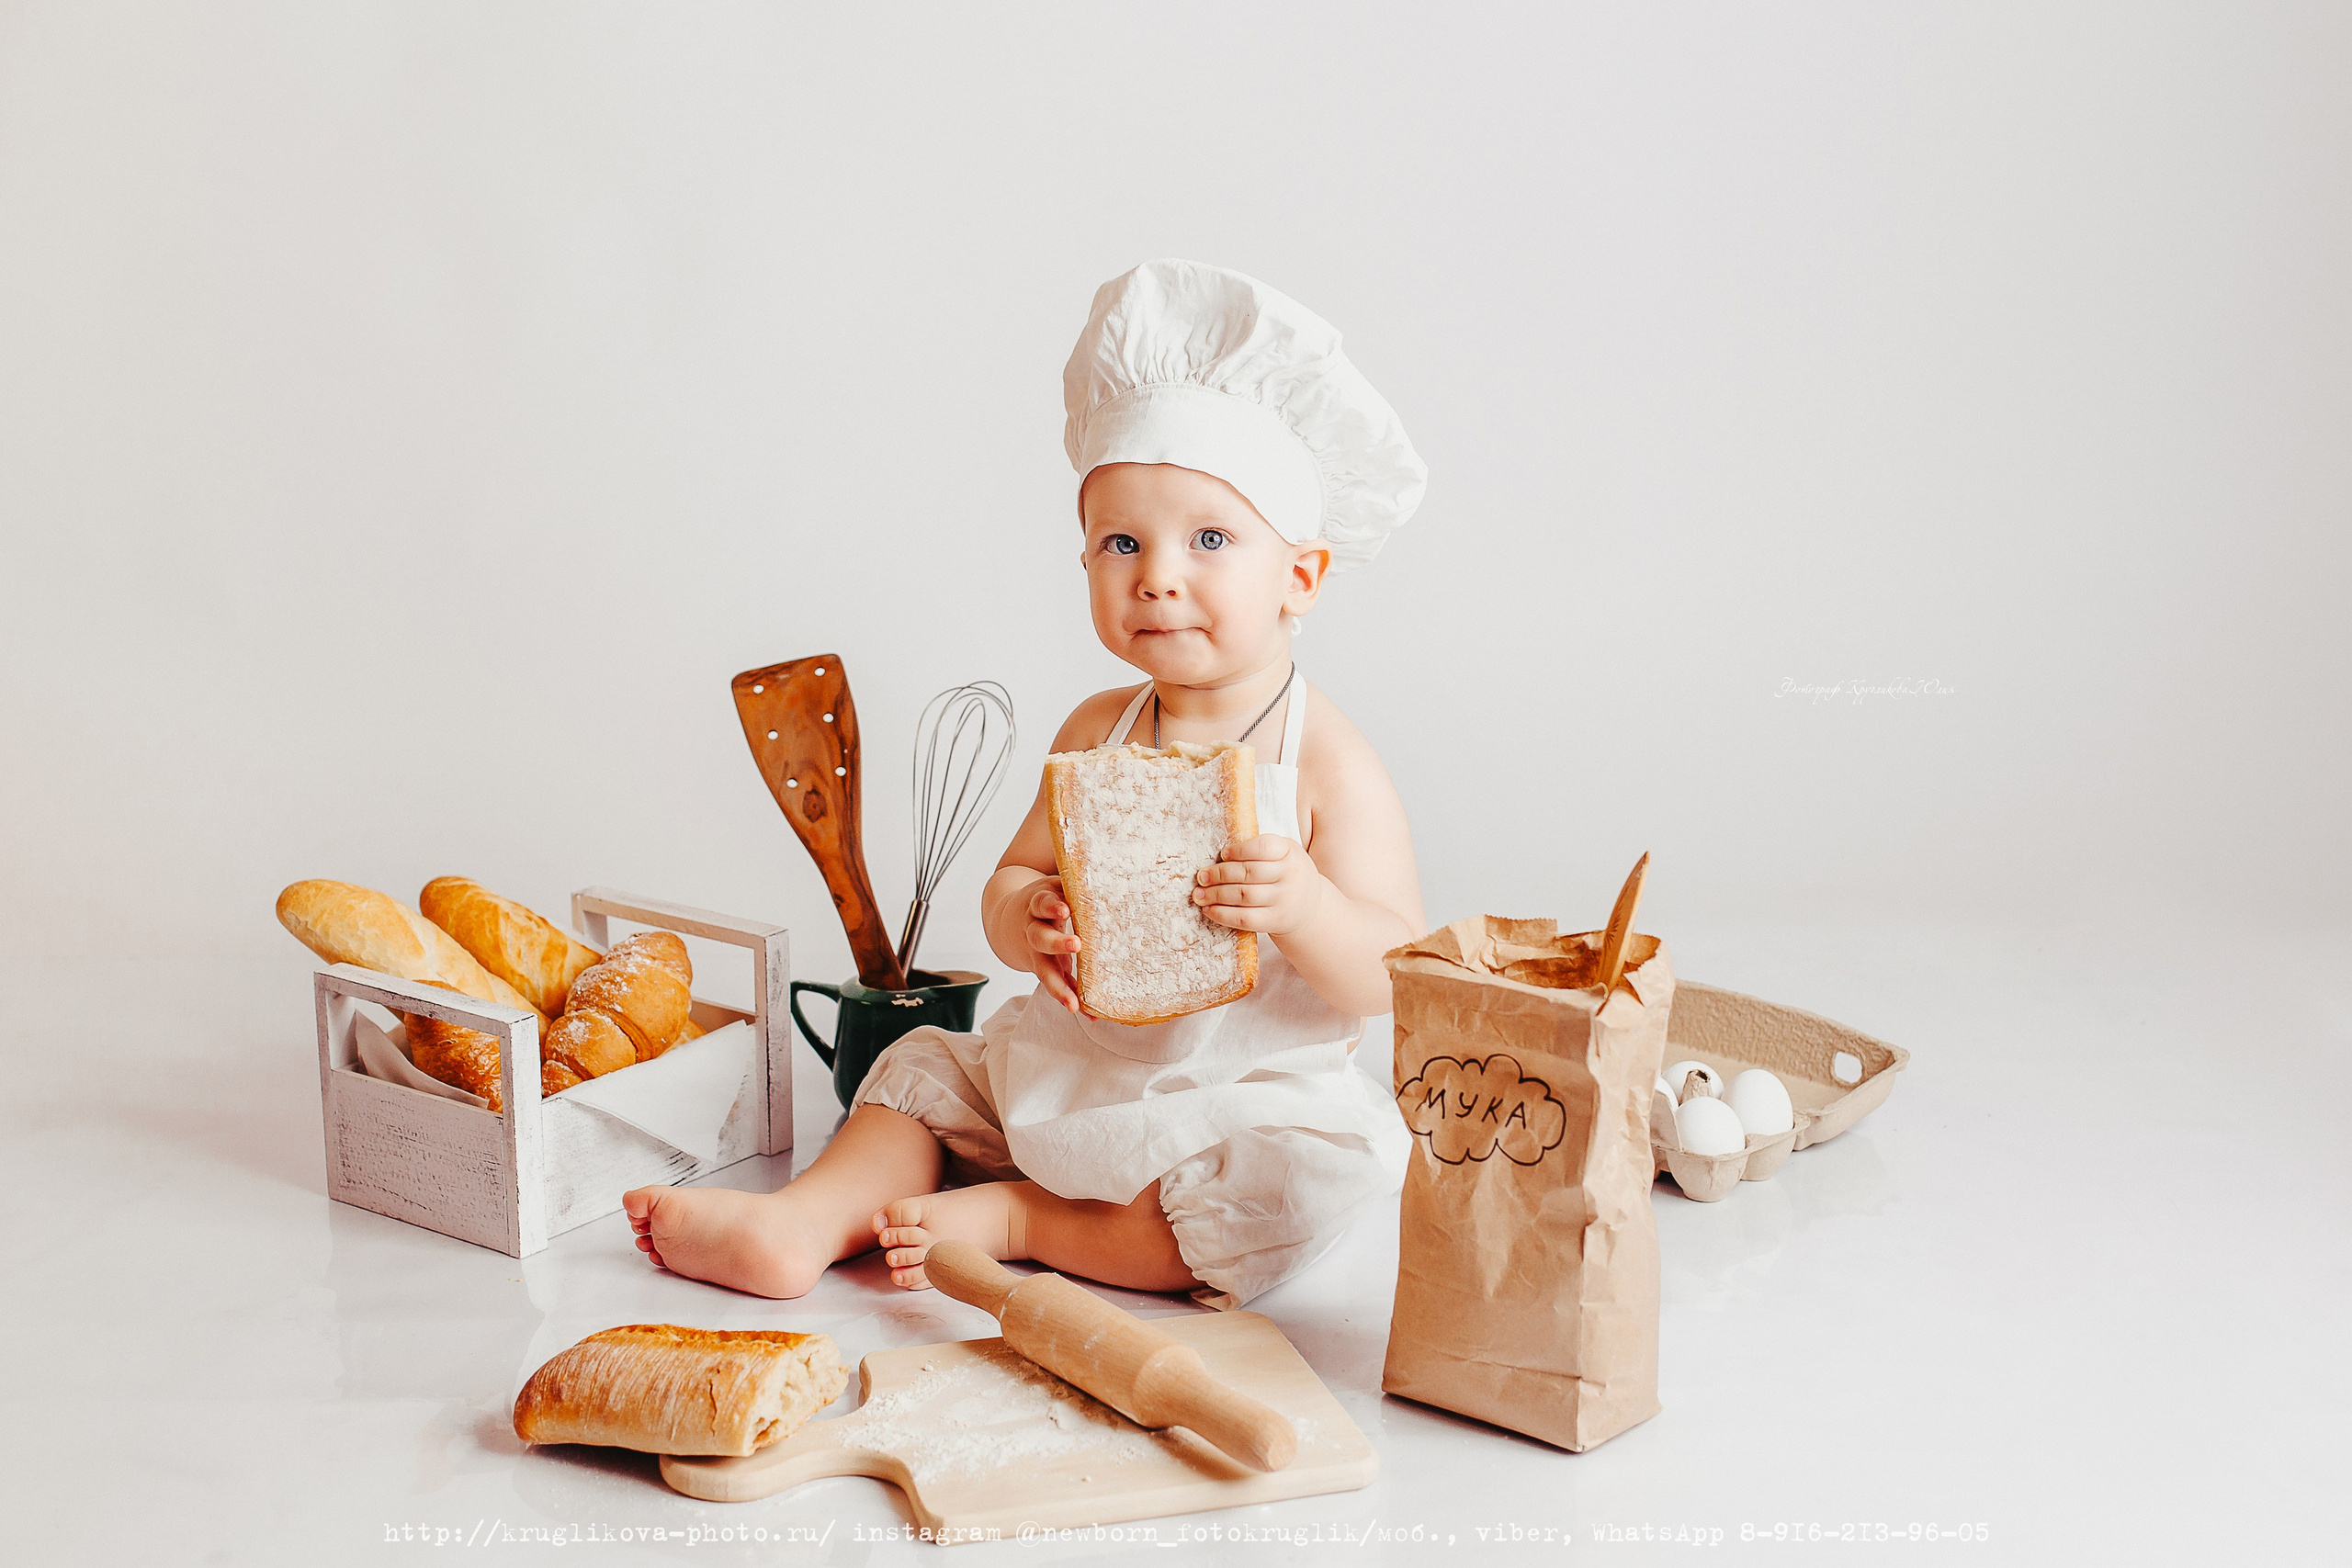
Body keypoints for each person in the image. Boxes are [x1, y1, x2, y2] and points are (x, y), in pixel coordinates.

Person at [623, 258, 1429, 1309]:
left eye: (1211, 539)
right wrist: (1027, 916)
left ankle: (1024, 1221)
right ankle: (802, 1224)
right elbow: (1009, 876)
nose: (1157, 574)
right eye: (1121, 542)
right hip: (1073, 1057)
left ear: (1301, 576)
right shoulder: (1098, 730)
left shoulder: (1324, 757)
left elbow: (1395, 973)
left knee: (1289, 1193)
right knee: (921, 1073)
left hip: (1238, 1094)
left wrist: (1309, 905)